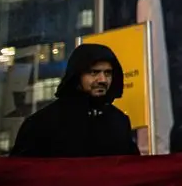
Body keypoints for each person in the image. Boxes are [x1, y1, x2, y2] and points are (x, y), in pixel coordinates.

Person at [10, 43, 139, 158]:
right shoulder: (42, 123)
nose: (103, 80)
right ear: (77, 76)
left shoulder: (119, 122)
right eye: (94, 72)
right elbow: (21, 174)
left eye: (108, 73)